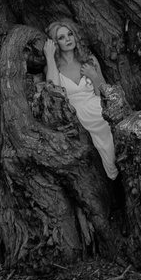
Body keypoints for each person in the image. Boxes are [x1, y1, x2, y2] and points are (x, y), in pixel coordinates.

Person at [42, 17, 119, 179]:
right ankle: (112, 166)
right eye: (61, 38)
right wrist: (49, 57)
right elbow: (54, 91)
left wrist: (94, 75)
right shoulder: (54, 67)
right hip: (74, 110)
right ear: (56, 43)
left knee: (110, 114)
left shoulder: (88, 59)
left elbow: (102, 92)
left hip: (96, 104)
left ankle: (117, 159)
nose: (68, 39)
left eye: (70, 34)